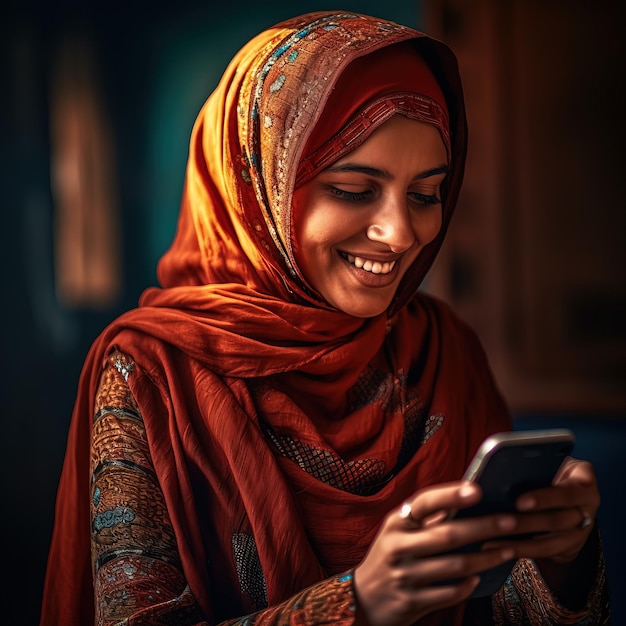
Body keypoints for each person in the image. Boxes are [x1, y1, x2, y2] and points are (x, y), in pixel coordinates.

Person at [40, 10, 610, 626]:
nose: (399, 234)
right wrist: (358, 604)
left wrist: (561, 559)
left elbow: (505, 609)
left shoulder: (443, 348)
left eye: (425, 195)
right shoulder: (152, 372)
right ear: (258, 191)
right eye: (354, 188)